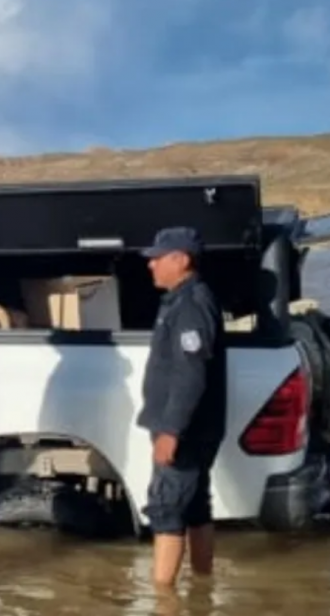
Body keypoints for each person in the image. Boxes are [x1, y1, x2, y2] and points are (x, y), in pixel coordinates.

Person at [136, 226, 226, 589]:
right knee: (194, 507)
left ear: (181, 259)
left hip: (185, 430)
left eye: (158, 258)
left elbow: (191, 375)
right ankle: (202, 587)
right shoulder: (182, 300)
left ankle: (164, 599)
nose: (151, 265)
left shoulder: (191, 304)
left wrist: (171, 430)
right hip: (193, 426)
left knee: (167, 508)